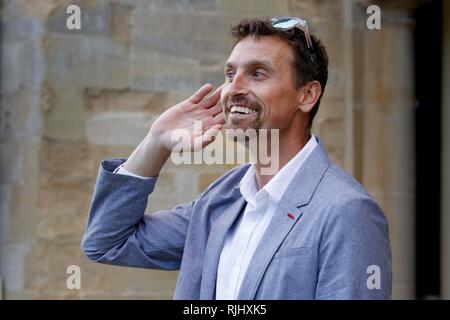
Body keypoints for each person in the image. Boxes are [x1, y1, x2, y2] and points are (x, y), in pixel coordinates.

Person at [81, 17, 392, 299]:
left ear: (307, 95)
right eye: (230, 74)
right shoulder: (220, 200)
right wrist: (156, 142)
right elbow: (107, 242)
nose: (233, 89)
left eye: (257, 73)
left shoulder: (347, 211)